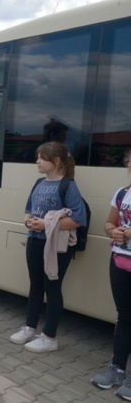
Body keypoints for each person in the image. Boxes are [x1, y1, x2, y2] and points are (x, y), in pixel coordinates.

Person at [9, 141, 86, 353]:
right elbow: (28, 209)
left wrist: (46, 224)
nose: (38, 161)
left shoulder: (68, 185)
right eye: (38, 157)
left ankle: (50, 337)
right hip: (34, 240)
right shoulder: (38, 183)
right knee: (35, 285)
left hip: (56, 246)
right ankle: (29, 327)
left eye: (42, 158)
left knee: (52, 287)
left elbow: (78, 219)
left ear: (56, 161)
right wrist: (28, 222)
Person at [91, 148, 131, 398]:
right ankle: (117, 369)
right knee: (124, 316)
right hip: (120, 262)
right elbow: (109, 223)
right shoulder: (122, 193)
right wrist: (112, 231)